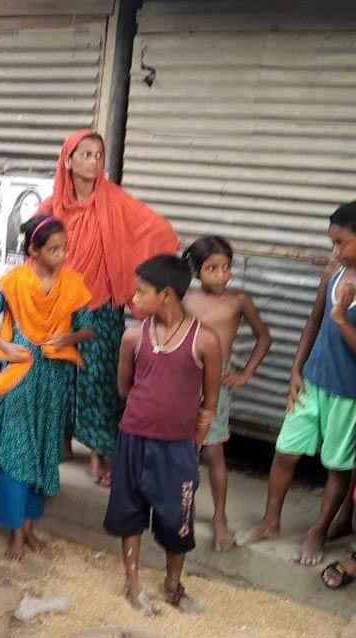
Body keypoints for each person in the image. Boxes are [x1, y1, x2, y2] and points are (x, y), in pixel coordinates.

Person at [38, 129, 179, 487]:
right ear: (67, 160)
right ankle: (61, 441)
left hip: (100, 306)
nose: (93, 161)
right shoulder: (53, 205)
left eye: (99, 155)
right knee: (59, 374)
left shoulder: (115, 200)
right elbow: (33, 244)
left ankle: (102, 451)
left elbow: (156, 229)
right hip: (58, 306)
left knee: (99, 379)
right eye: (85, 154)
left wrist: (138, 271)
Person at [0, 216, 94, 560]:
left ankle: (28, 527)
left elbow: (88, 329)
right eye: (54, 249)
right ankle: (14, 532)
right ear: (33, 251)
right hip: (20, 375)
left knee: (42, 451)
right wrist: (5, 346)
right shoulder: (13, 282)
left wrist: (67, 336)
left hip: (53, 379)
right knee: (15, 452)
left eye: (64, 248)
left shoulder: (73, 285)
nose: (62, 255)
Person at [105, 254, 221, 616]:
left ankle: (173, 585)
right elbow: (124, 387)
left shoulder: (205, 341)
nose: (134, 298)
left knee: (177, 519)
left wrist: (193, 444)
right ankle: (133, 583)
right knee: (130, 511)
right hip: (133, 439)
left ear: (167, 295)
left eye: (141, 292)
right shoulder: (134, 337)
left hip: (178, 448)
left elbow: (210, 402)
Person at [243, 202, 356, 566]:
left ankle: (319, 530)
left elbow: (335, 322)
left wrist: (341, 318)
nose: (334, 252)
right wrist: (296, 370)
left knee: (338, 465)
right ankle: (270, 520)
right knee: (286, 451)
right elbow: (312, 322)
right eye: (332, 244)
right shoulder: (334, 274)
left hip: (349, 395)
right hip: (314, 380)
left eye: (341, 243)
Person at [182, 235, 271, 551]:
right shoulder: (184, 297)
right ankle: (184, 510)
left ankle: (220, 518)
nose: (222, 275)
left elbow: (264, 337)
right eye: (212, 268)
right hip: (183, 384)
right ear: (196, 269)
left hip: (215, 388)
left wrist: (246, 372)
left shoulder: (239, 300)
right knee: (184, 453)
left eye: (226, 268)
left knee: (214, 452)